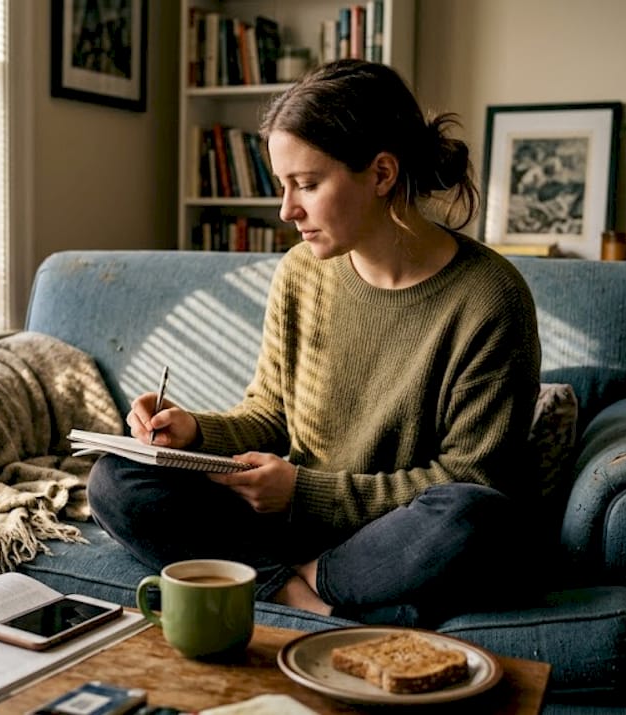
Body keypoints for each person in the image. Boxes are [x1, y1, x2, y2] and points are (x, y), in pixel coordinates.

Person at [87, 59, 541, 625]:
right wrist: (195, 431)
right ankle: (305, 597)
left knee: (474, 516)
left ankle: (287, 581)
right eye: (283, 186)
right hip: (284, 522)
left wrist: (304, 492)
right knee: (116, 477)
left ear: (380, 174)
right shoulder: (301, 272)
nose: (286, 210)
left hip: (393, 530)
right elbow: (271, 412)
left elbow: (474, 478)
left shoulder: (490, 297)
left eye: (306, 184)